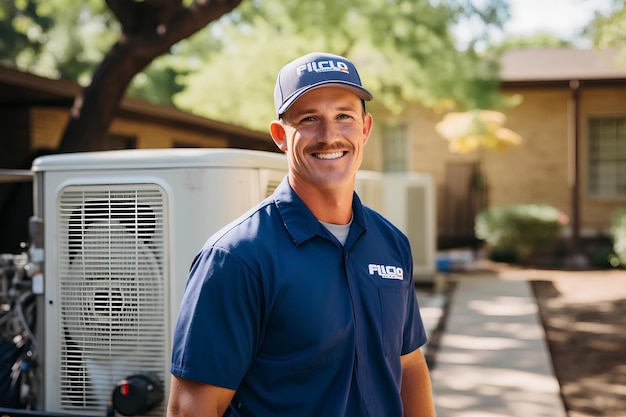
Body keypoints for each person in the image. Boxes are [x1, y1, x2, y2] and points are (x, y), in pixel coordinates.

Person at [167, 52, 436, 417]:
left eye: (344, 116)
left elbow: (408, 366)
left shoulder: (391, 244)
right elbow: (192, 409)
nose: (329, 136)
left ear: (365, 129)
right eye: (309, 119)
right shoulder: (237, 258)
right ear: (280, 135)